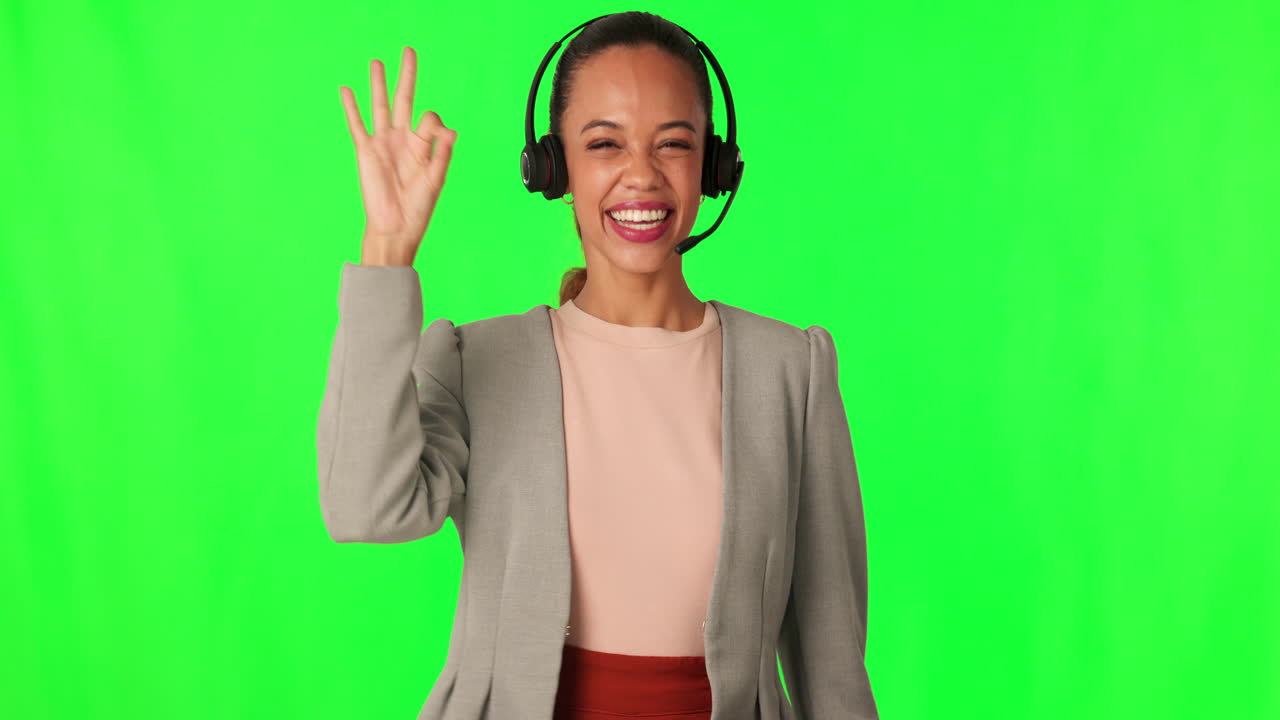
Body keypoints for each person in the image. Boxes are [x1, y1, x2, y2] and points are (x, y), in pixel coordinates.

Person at [322, 11, 878, 720]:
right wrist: (387, 250)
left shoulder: (789, 372)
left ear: (714, 165)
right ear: (554, 168)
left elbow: (833, 669)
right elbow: (364, 509)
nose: (640, 175)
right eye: (604, 143)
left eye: (674, 144)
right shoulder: (478, 361)